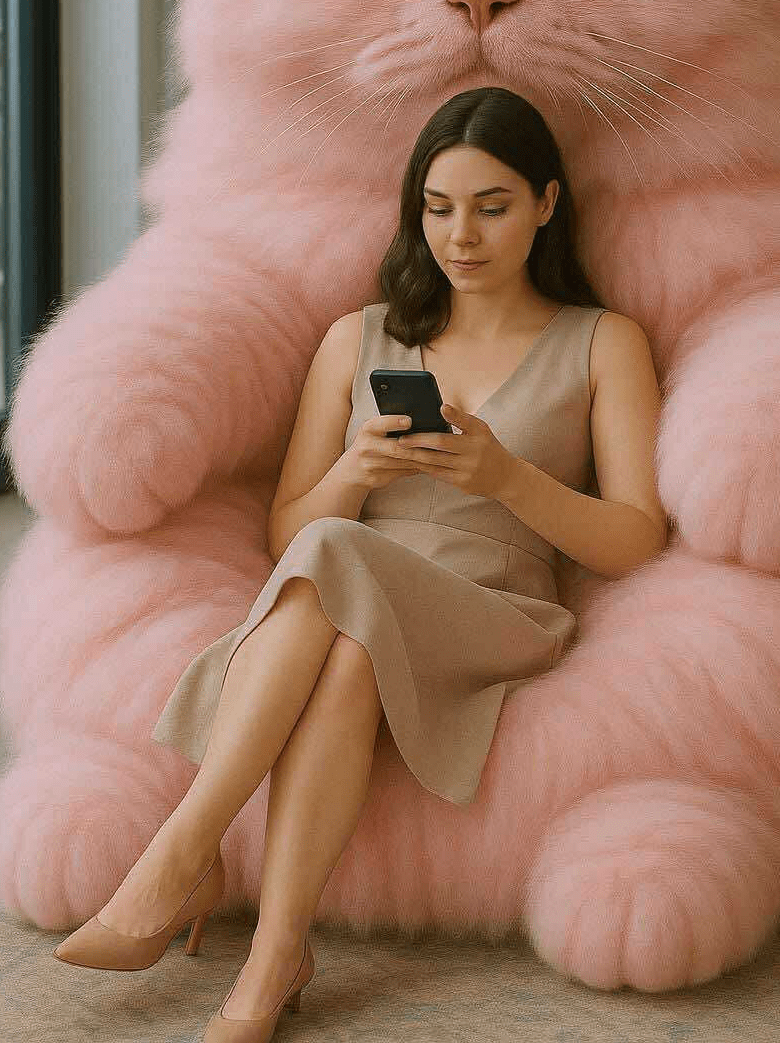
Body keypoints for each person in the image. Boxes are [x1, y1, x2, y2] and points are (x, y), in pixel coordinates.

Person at [52, 86, 665, 1038]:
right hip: (353, 601)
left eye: (491, 206)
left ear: (546, 203)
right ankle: (276, 958)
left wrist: (505, 477)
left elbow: (636, 535)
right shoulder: (361, 336)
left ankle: (183, 852)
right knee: (343, 639)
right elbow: (288, 528)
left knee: (337, 557)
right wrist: (353, 469)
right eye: (438, 207)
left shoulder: (602, 341)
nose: (460, 235)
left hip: (494, 612)